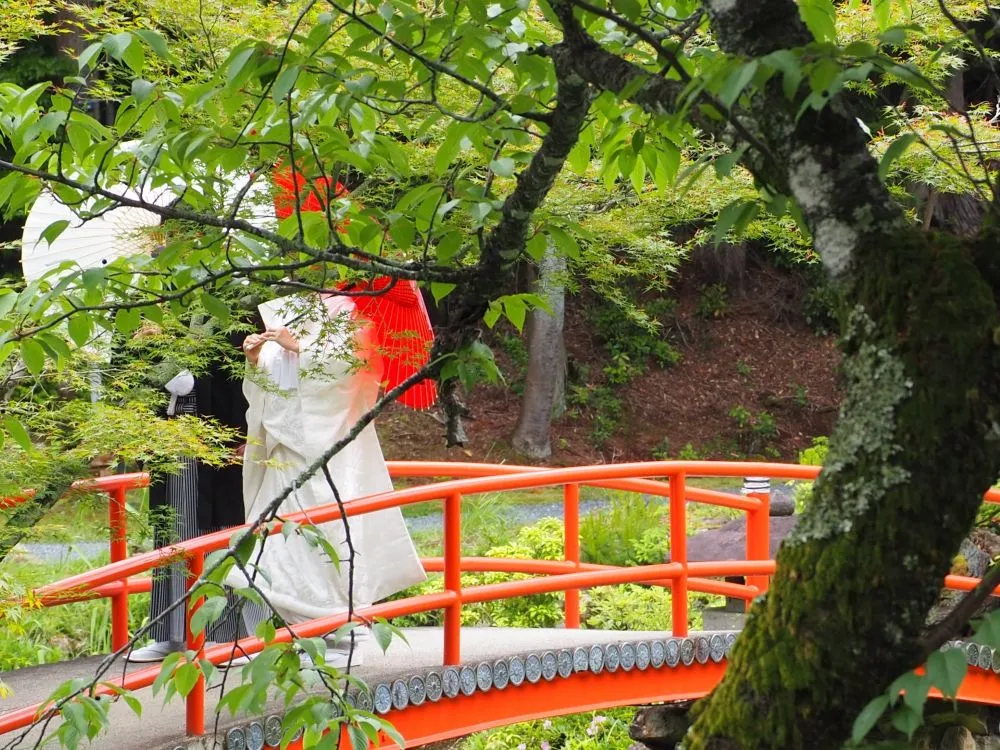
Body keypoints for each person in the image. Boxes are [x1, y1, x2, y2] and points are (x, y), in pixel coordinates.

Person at [230, 293, 426, 667]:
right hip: (283, 456)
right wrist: (257, 360)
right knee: (273, 551)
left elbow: (350, 374)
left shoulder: (357, 314)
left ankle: (341, 635)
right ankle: (292, 637)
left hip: (327, 456)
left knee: (324, 545)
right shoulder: (297, 305)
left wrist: (300, 347)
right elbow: (274, 378)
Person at [128, 328, 251, 663]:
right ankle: (170, 633)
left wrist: (246, 430)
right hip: (170, 437)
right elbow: (131, 365)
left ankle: (228, 634)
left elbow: (244, 373)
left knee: (220, 531)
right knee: (171, 531)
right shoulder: (156, 301)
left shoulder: (234, 304)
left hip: (220, 437)